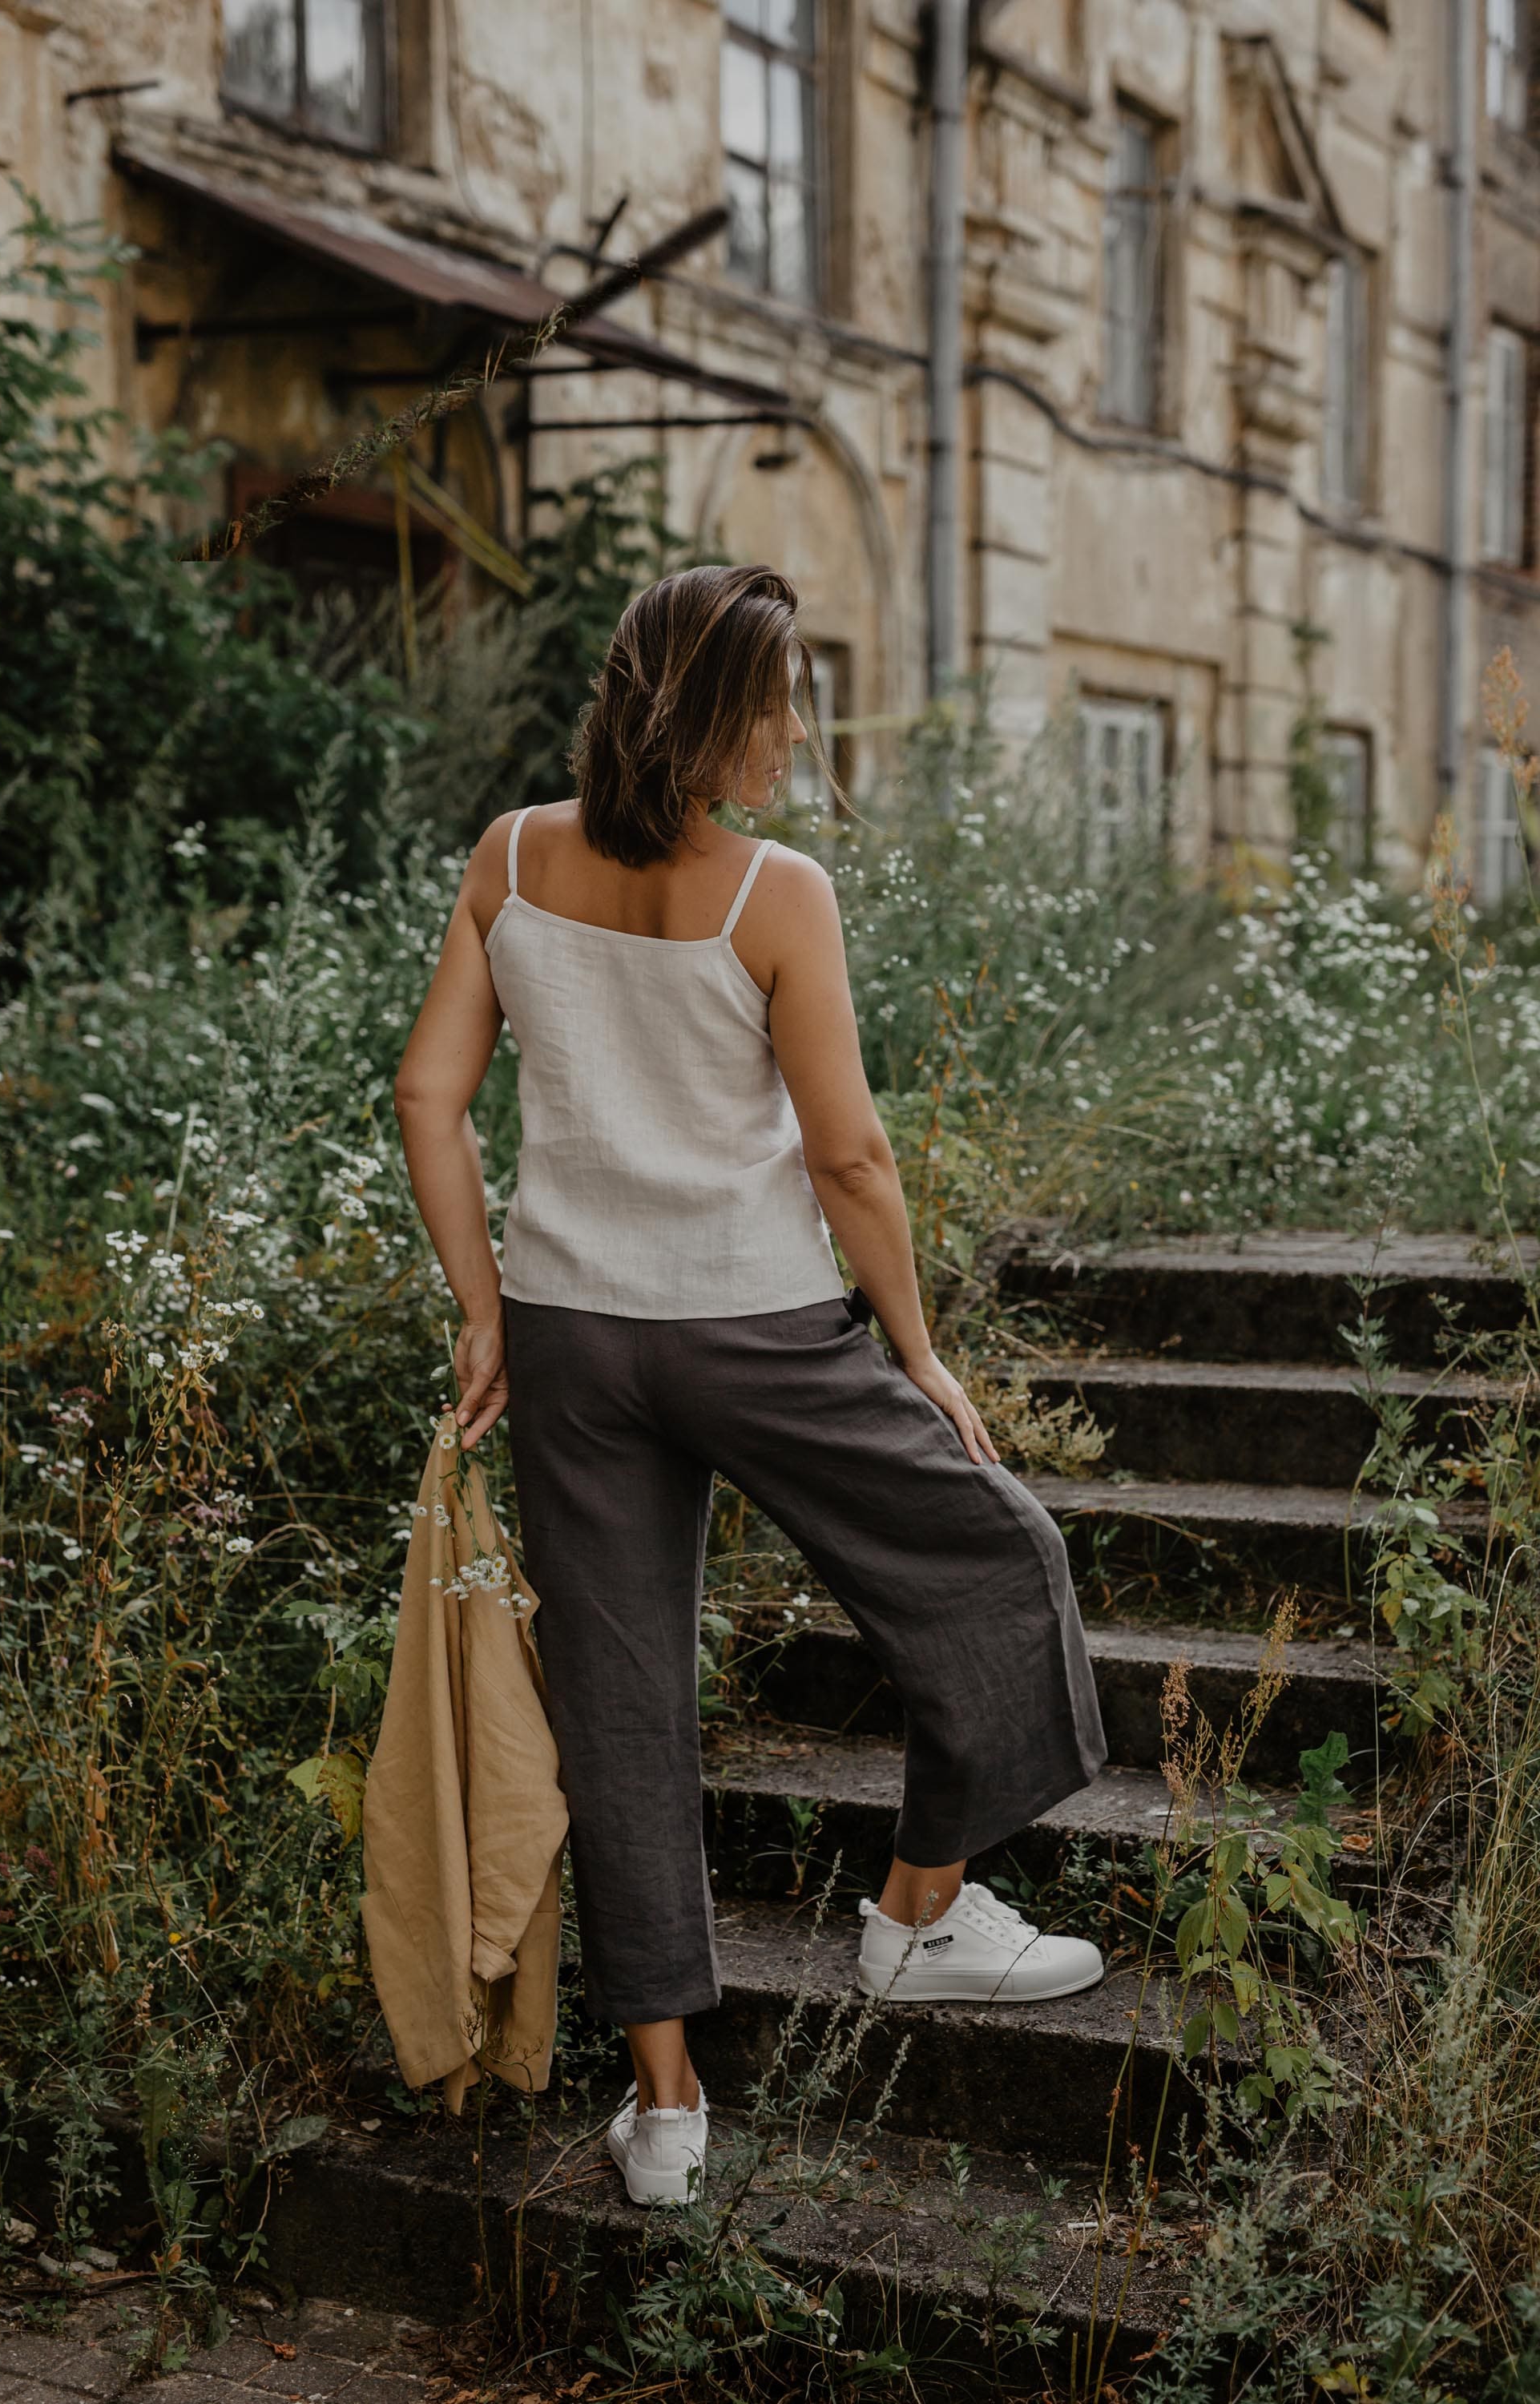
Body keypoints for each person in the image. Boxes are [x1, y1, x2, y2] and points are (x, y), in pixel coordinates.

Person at [393, 563, 1107, 2208]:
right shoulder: (773, 891)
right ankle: (916, 1917)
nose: (799, 732)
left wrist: (482, 1312)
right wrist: (916, 1348)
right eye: (778, 701)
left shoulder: (511, 856)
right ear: (702, 710)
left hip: (572, 1333)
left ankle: (664, 2110)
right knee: (1003, 1567)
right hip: (754, 1329)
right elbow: (849, 1155)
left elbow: (431, 1100)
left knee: (620, 1706)